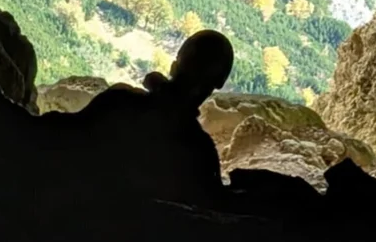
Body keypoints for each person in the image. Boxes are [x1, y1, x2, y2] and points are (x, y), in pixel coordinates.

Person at [41, 29, 236, 199]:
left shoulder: (119, 101)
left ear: (174, 66)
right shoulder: (199, 152)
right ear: (215, 86)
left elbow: (61, 134)